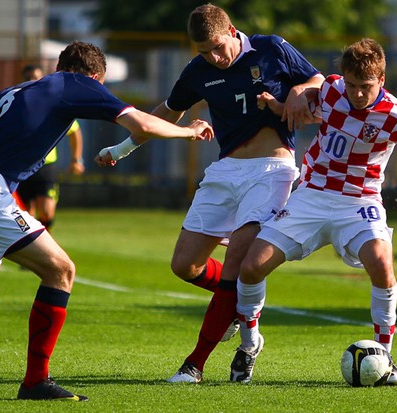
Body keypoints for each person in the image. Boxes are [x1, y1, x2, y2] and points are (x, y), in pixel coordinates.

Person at [0, 41, 213, 401]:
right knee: (61, 270)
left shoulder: (20, 88)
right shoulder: (77, 84)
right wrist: (189, 131)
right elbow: (141, 123)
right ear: (94, 76)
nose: (98, 93)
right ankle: (35, 382)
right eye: (99, 85)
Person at [96, 3, 324, 383]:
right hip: (225, 171)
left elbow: (318, 81)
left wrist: (301, 88)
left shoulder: (271, 48)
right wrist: (121, 149)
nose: (214, 58)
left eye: (218, 47)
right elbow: (165, 115)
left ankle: (195, 365)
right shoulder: (197, 71)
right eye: (205, 52)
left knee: (236, 259)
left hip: (272, 170)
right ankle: (235, 302)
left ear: (232, 30)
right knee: (184, 266)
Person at [231, 38, 397, 384]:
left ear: (381, 80)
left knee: (383, 264)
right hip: (311, 196)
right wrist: (278, 104)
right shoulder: (330, 90)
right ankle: (249, 346)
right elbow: (297, 112)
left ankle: (385, 358)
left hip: (360, 202)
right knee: (251, 267)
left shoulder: (396, 115)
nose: (356, 93)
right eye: (352, 85)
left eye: (365, 87)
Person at [16, 64, 85, 232]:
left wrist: (76, 159)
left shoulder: (51, 104)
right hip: (22, 167)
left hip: (46, 167)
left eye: (36, 77)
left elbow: (74, 131)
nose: (32, 81)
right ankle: (34, 247)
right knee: (25, 217)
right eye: (28, 78)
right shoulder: (17, 103)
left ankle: (45, 241)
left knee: (46, 212)